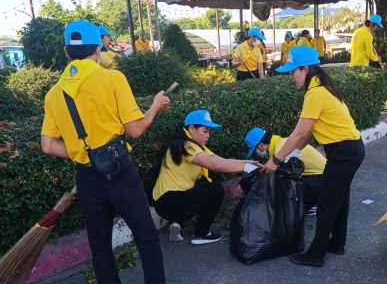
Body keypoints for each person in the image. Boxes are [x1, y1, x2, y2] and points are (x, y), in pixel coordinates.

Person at [41, 20, 170, 284]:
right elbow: (134, 130)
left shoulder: (54, 93)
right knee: (145, 236)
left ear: (67, 51)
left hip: (87, 179)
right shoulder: (112, 78)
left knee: (99, 246)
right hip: (119, 171)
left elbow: (48, 145)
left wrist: (83, 154)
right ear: (99, 47)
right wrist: (155, 106)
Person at [261, 46, 365, 268]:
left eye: (292, 72)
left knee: (326, 202)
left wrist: (275, 159)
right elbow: (307, 134)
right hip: (350, 150)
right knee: (340, 200)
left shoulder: (315, 93)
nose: (291, 77)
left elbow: (298, 133)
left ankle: (316, 255)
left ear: (305, 69)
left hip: (343, 153)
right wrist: (292, 154)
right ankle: (336, 243)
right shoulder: (323, 89)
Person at [153, 110, 259, 244]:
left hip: (167, 200)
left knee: (200, 187)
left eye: (209, 132)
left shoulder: (192, 145)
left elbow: (221, 160)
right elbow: (215, 165)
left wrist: (247, 162)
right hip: (169, 202)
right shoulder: (187, 146)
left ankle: (177, 222)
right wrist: (247, 168)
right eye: (205, 131)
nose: (208, 135)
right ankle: (202, 234)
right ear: (192, 128)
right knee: (215, 190)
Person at [244, 127, 326, 216]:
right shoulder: (280, 144)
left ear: (260, 145)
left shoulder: (279, 150)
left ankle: (313, 204)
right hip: (319, 177)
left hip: (324, 180)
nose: (257, 153)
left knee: (283, 186)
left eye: (255, 149)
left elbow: (281, 177)